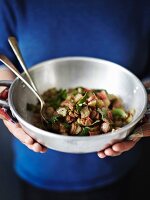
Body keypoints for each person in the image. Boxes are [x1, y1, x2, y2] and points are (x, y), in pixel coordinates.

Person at [0, 0, 149, 199]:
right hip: (40, 168)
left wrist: (143, 111)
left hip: (116, 169)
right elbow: (3, 63)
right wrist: (7, 103)